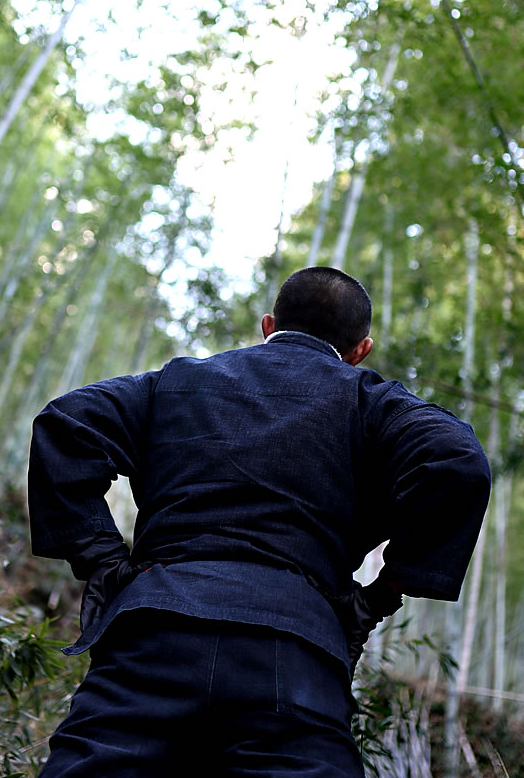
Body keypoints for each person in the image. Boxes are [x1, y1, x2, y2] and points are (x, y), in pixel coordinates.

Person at [28, 266, 491, 777]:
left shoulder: (176, 382)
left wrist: (105, 564)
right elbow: (456, 461)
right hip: (295, 649)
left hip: (154, 629)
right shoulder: (371, 402)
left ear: (268, 326)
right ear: (362, 350)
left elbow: (67, 423)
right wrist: (378, 597)